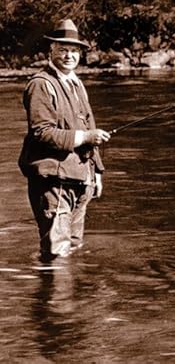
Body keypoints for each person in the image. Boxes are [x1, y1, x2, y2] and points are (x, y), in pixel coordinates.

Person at [19, 19, 111, 261]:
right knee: (56, 254)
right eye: (63, 50)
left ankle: (62, 286)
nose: (69, 56)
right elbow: (42, 132)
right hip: (53, 181)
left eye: (74, 51)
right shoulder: (41, 84)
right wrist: (86, 137)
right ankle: (50, 286)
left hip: (81, 179)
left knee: (72, 249)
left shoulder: (77, 83)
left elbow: (89, 125)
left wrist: (96, 172)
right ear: (51, 51)